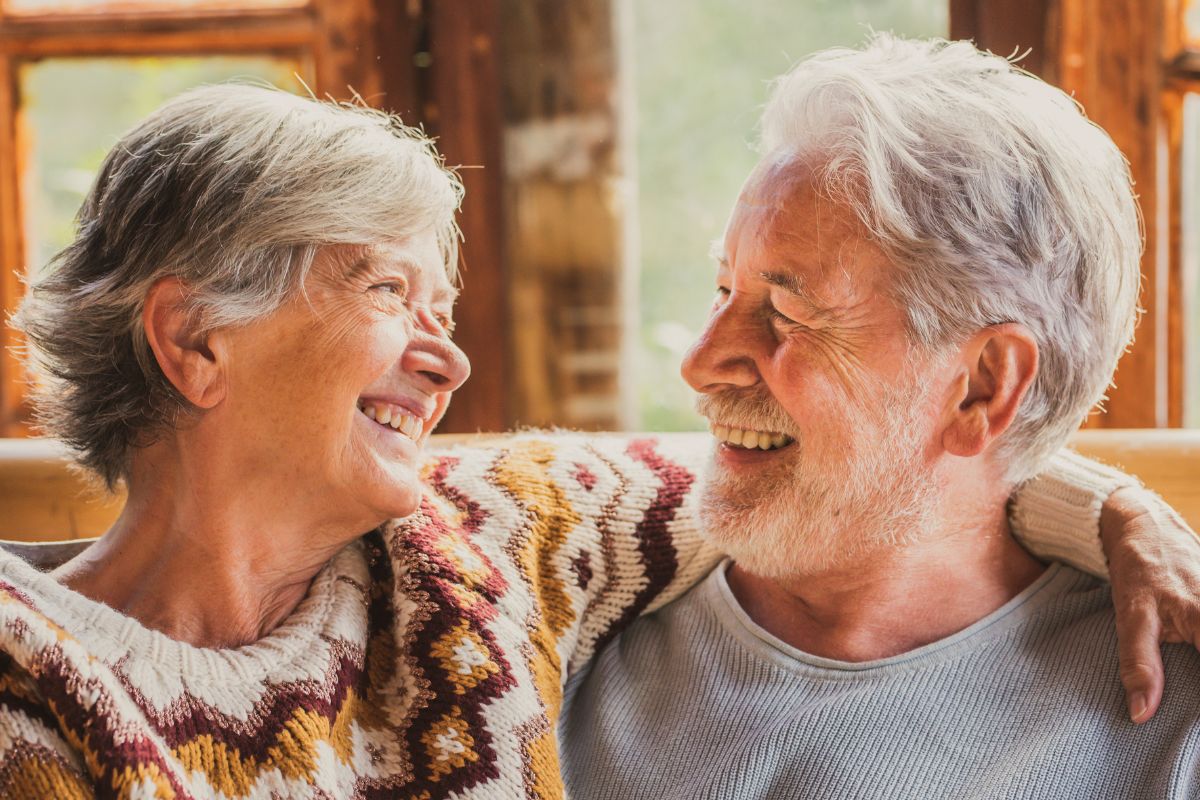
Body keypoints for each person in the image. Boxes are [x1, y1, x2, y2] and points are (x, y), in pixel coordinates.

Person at [0, 80, 1192, 800]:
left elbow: (889, 476)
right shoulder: (37, 687)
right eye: (384, 292)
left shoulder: (479, 549)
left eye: (784, 309)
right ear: (194, 339)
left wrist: (1094, 502)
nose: (449, 362)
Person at [560, 35, 1200, 799]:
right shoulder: (542, 616)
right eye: (722, 289)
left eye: (790, 313)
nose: (700, 362)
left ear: (983, 387)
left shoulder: (1171, 723)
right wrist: (1110, 506)